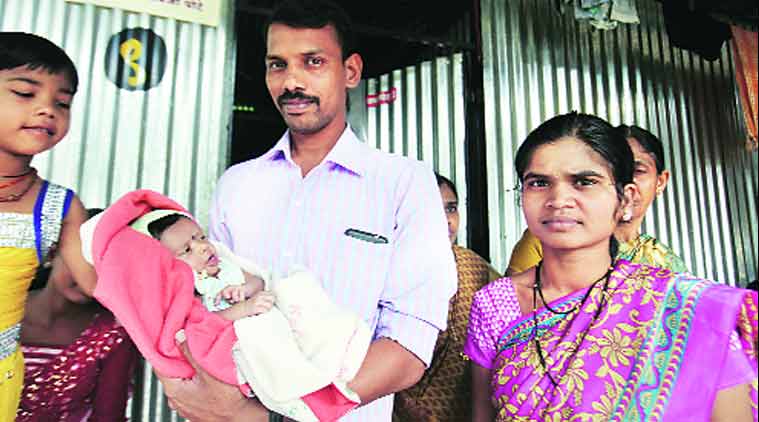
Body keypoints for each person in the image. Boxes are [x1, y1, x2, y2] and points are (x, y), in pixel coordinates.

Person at [156, 1, 458, 421]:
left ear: (350, 71)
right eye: (277, 65)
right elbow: (212, 310)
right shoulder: (237, 186)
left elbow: (409, 348)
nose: (291, 82)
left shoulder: (404, 184)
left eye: (312, 62)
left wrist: (279, 415)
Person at [465, 112, 757, 421]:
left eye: (585, 182)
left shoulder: (685, 309)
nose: (559, 199)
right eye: (539, 183)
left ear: (625, 198)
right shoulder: (494, 304)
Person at [80, 190, 373, 421]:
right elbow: (205, 324)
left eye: (200, 237)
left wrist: (246, 289)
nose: (203, 247)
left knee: (297, 289)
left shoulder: (225, 266)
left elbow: (259, 282)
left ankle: (326, 363)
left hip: (264, 313)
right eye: (187, 249)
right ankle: (296, 393)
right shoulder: (189, 290)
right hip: (238, 339)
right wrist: (242, 310)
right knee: (262, 340)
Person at [0, 32, 97, 419]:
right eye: (25, 93)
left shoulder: (60, 207)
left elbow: (98, 285)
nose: (48, 110)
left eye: (63, 103)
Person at [506, 124, 688, 275]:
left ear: (660, 182)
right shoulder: (547, 239)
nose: (625, 181)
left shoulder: (667, 266)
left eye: (637, 171)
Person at [393, 173, 501, 421]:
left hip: (463, 407)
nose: (446, 221)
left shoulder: (474, 267)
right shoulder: (386, 272)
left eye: (450, 209)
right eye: (432, 210)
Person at [18, 209, 139, 421]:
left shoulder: (112, 334)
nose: (89, 275)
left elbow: (108, 417)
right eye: (83, 259)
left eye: (105, 267)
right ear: (54, 252)